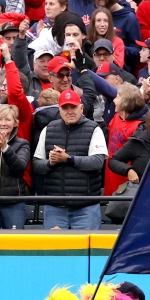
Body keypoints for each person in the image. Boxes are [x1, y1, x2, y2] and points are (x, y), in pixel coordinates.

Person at [32, 88, 107, 229]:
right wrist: (50, 162)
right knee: (56, 250)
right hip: (55, 206)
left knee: (86, 251)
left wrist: (68, 159)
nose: (69, 111)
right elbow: (36, 164)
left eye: (73, 107)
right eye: (65, 108)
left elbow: (97, 162)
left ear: (81, 107)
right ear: (59, 110)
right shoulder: (49, 129)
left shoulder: (94, 129)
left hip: (86, 207)